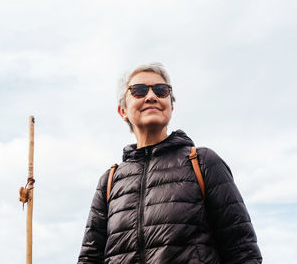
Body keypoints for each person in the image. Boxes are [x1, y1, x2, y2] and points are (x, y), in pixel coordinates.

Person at [77, 62, 262, 264]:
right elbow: (89, 259)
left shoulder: (202, 163)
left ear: (171, 106)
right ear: (123, 111)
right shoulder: (110, 181)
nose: (151, 96)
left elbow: (243, 252)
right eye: (138, 91)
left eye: (161, 90)